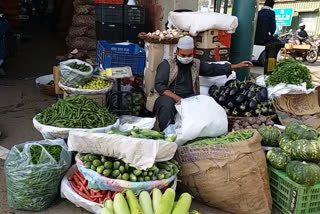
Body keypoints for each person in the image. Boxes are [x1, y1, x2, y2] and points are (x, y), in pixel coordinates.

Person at [150, 36, 253, 131]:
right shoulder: (167, 64)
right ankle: (168, 133)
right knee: (165, 104)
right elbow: (160, 86)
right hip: (170, 97)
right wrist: (178, 99)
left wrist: (235, 66)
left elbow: (213, 69)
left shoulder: (196, 63)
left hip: (190, 97)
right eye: (183, 55)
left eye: (189, 55)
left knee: (207, 105)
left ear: (193, 52)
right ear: (177, 52)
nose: (186, 58)